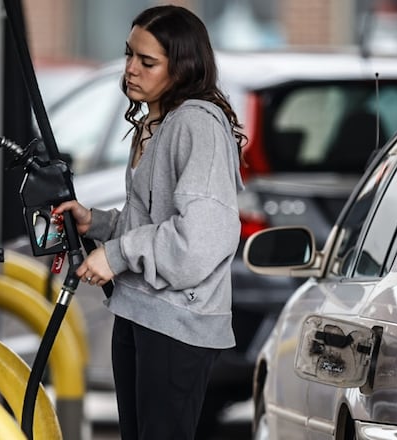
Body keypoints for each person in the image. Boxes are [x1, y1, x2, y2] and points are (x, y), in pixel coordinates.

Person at [52, 5, 246, 439]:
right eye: (129, 55)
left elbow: (200, 239)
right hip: (140, 312)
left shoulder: (196, 125)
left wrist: (117, 255)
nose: (130, 70)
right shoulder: (155, 123)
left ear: (183, 67)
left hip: (178, 323)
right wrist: (97, 224)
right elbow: (153, 221)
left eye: (147, 61)